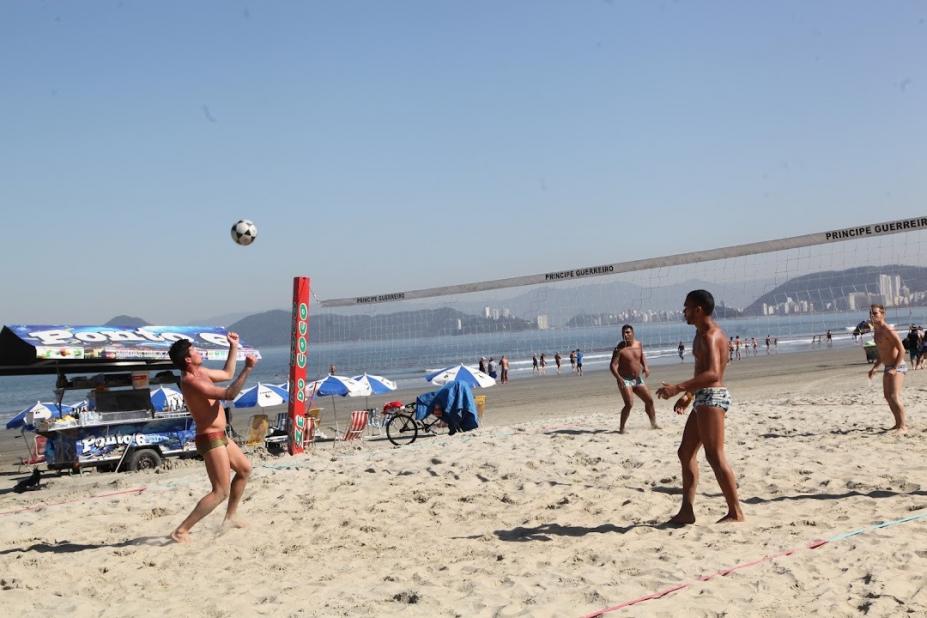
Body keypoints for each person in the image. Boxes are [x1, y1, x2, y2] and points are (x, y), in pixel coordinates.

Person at [657, 290, 744, 525]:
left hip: (713, 397)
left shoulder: (711, 335)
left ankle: (736, 512)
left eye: (686, 307)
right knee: (685, 452)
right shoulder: (699, 334)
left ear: (698, 309)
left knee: (715, 456)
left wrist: (678, 388)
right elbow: (702, 370)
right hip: (702, 397)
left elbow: (713, 373)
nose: (683, 311)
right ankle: (687, 511)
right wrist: (688, 395)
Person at [169, 333, 257, 543]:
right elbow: (228, 394)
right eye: (194, 350)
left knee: (244, 470)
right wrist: (248, 369)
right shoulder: (191, 381)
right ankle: (181, 531)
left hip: (221, 435)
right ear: (188, 359)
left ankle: (230, 517)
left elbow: (227, 373)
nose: (199, 352)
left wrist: (233, 346)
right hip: (210, 438)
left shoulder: (201, 372)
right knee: (220, 492)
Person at [867, 304, 908, 433]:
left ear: (882, 314)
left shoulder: (888, 330)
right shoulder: (876, 331)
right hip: (887, 367)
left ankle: (903, 426)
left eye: (875, 313)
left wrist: (895, 368)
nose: (873, 316)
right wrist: (874, 367)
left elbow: (902, 349)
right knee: (887, 396)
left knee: (894, 396)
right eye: (871, 314)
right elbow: (881, 353)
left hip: (898, 365)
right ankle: (897, 424)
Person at [610, 324, 659, 432]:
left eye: (627, 332)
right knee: (629, 404)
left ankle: (653, 424)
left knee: (649, 401)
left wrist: (646, 367)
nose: (625, 335)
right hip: (624, 379)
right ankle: (622, 428)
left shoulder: (638, 344)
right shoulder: (619, 348)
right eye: (623, 333)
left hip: (637, 379)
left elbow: (642, 356)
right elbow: (613, 366)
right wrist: (619, 378)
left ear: (633, 333)